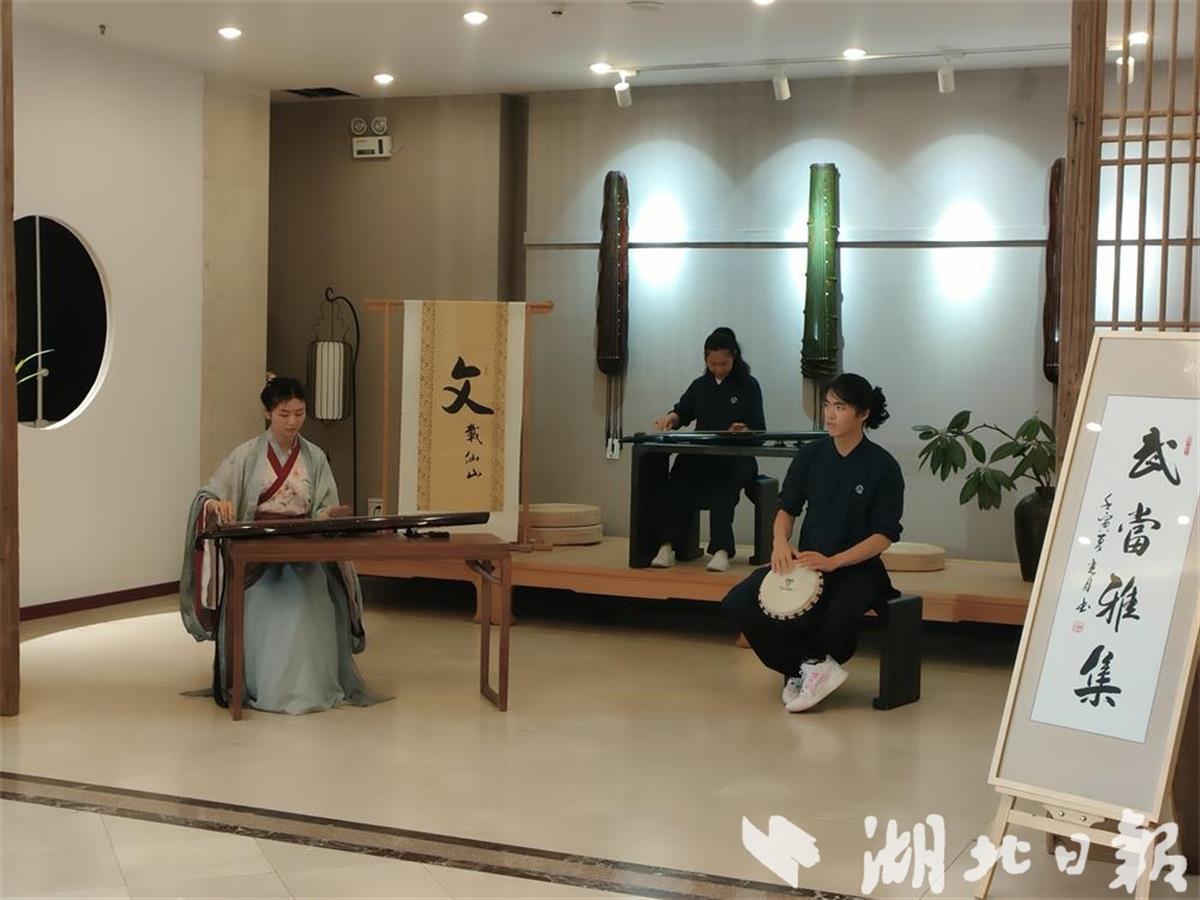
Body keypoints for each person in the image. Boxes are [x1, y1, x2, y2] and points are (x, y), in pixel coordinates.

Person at [179, 376, 380, 714]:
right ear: (267, 413)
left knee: (312, 598)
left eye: (299, 414)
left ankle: (313, 687)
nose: (292, 422)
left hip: (304, 550)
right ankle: (262, 686)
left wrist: (327, 514)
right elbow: (208, 493)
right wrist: (214, 505)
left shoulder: (315, 457)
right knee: (269, 602)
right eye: (284, 414)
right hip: (257, 557)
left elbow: (323, 505)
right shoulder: (246, 455)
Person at [720, 373, 903, 712]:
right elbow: (786, 509)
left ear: (863, 414)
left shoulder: (883, 467)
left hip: (858, 568)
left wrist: (834, 561)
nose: (829, 414)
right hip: (806, 561)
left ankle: (812, 666)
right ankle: (806, 667)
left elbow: (883, 536)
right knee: (740, 600)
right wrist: (779, 542)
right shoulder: (810, 455)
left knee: (834, 622)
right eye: (827, 405)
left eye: (840, 407)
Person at [650, 327, 766, 572]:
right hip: (702, 455)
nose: (718, 369)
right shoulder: (700, 386)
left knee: (722, 488)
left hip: (736, 457)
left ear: (734, 357)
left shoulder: (748, 385)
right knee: (677, 481)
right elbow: (683, 411)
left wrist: (743, 429)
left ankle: (721, 550)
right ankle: (667, 546)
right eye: (713, 364)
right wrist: (670, 418)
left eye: (724, 364)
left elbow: (759, 427)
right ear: (705, 359)